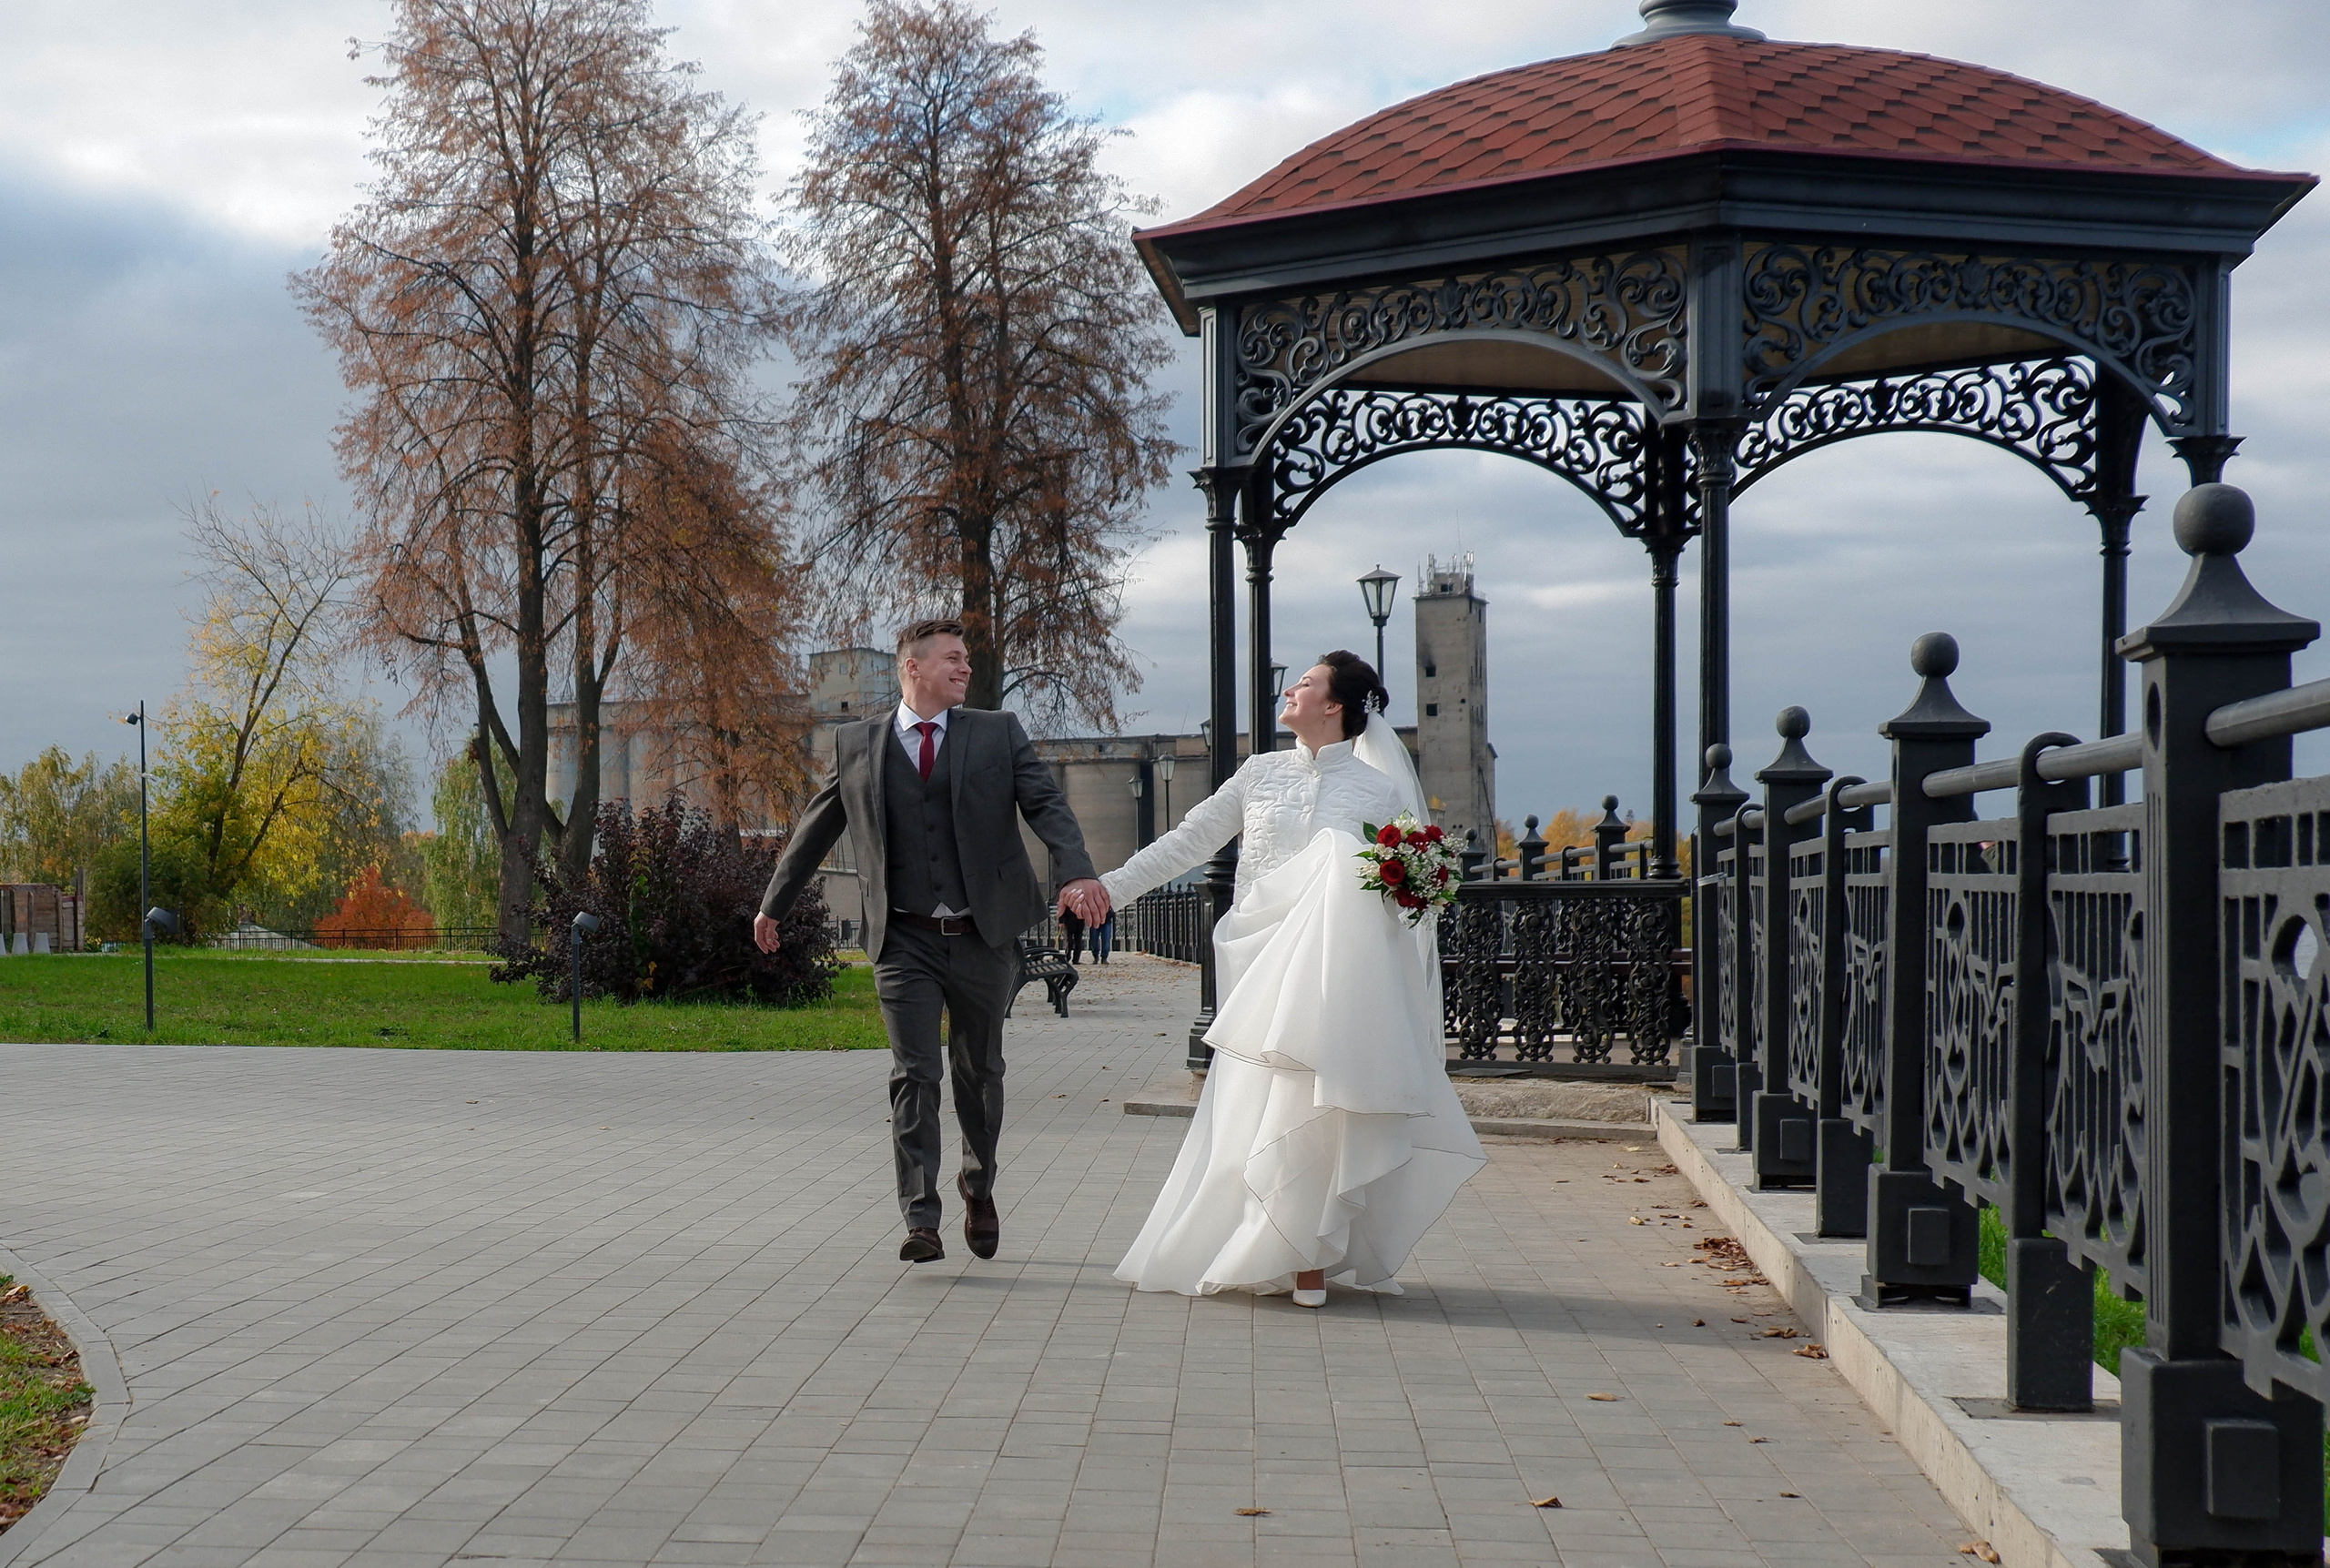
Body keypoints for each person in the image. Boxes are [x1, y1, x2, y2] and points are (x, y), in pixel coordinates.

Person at [1099, 652, 1484, 1308]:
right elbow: (1188, 842)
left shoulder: (1378, 792)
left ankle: (1307, 1257)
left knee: (1312, 1112)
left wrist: (1408, 884)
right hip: (1262, 966)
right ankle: (1252, 1239)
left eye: (1305, 683)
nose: (1289, 689)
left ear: (1333, 704)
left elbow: (1404, 895)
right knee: (1250, 1111)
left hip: (1335, 981)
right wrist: (1108, 889)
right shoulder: (1260, 773)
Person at [755, 618, 1109, 1264]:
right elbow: (816, 826)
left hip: (981, 936)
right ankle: (920, 1216)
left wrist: (1077, 868)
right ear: (911, 667)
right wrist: (774, 903)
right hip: (904, 940)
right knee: (914, 1074)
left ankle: (978, 1184)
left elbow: (1046, 806)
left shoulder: (996, 733)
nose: (965, 667)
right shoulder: (857, 743)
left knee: (978, 1072)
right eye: (953, 658)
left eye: (968, 659)